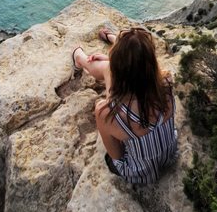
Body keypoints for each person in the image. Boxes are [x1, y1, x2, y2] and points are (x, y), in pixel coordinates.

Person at [71, 26, 178, 184]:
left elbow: (117, 155)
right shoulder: (167, 83)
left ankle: (79, 58)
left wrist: (111, 63)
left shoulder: (105, 112)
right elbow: (143, 66)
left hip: (139, 175)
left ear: (118, 69)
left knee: (107, 71)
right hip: (170, 155)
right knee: (113, 68)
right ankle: (111, 41)